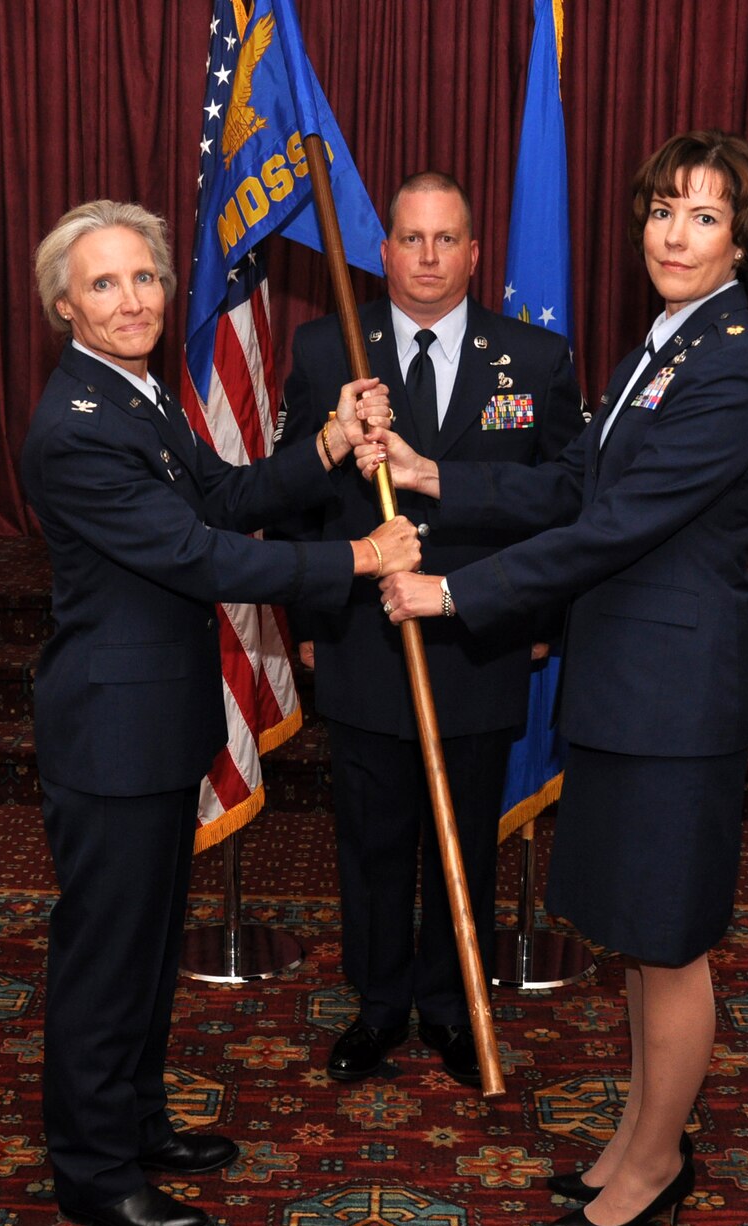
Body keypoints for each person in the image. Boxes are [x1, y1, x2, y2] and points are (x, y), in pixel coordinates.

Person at [361, 130, 748, 1226]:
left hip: (673, 696)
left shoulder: (731, 360)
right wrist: (434, 472)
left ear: (741, 238)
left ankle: (654, 1161)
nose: (673, 233)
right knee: (639, 936)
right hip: (627, 679)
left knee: (670, 938)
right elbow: (572, 484)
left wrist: (455, 596)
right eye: (660, 210)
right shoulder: (665, 342)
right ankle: (641, 1134)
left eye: (701, 215)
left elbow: (613, 527)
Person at [19, 200, 418, 1226]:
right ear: (63, 303)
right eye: (102, 284)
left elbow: (229, 494)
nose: (131, 299)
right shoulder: (76, 427)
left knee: (148, 945)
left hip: (153, 719)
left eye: (144, 277)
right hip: (109, 731)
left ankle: (135, 1119)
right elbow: (200, 554)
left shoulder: (142, 396)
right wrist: (356, 559)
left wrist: (328, 441)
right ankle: (93, 1168)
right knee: (106, 953)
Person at [278, 172, 584, 1087]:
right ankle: (377, 1005)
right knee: (371, 838)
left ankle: (452, 1006)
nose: (427, 258)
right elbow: (297, 494)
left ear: (475, 254)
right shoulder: (328, 342)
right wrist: (308, 619)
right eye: (411, 239)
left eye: (446, 240)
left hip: (483, 633)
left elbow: (565, 504)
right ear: (384, 251)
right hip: (365, 636)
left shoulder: (536, 360)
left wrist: (539, 617)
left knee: (470, 840)